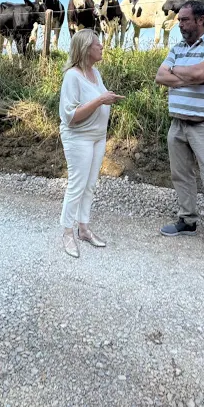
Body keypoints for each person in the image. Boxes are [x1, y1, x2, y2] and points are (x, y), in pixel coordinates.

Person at [154, 0, 204, 269]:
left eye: (185, 20)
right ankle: (187, 221)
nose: (180, 24)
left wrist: (182, 73)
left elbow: (202, 72)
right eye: (179, 20)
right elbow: (160, 77)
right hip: (178, 124)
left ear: (201, 19)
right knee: (181, 175)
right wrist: (189, 75)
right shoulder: (177, 48)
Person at [58, 28, 124, 258]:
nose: (102, 47)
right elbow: (71, 116)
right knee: (77, 185)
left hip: (97, 137)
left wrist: (108, 98)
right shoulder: (72, 76)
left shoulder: (95, 73)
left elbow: (99, 98)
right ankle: (67, 233)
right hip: (79, 138)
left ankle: (83, 228)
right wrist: (100, 101)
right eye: (98, 44)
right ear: (86, 49)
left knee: (90, 185)